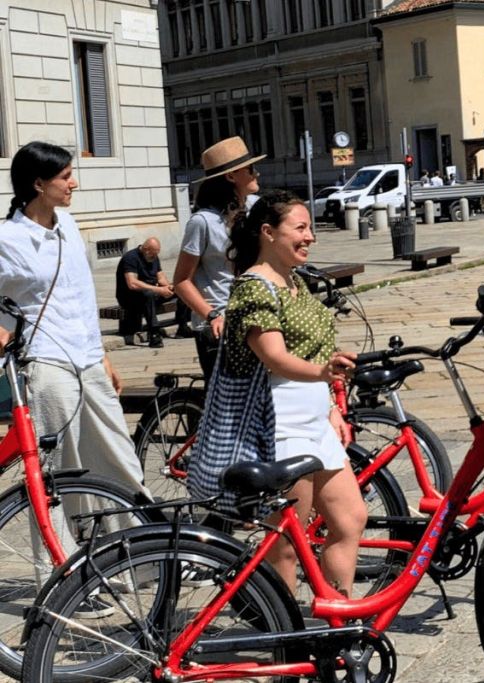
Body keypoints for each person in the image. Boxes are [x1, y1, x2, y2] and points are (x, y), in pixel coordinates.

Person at [221, 189, 367, 594]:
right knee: (285, 542)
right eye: (300, 228)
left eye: (310, 228)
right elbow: (273, 356)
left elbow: (311, 350)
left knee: (350, 519)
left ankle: (336, 619)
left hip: (313, 420)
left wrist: (330, 408)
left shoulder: (295, 281)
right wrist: (323, 372)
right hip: (279, 425)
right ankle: (285, 637)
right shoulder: (254, 287)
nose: (310, 237)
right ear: (268, 232)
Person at [0, 141, 149, 500]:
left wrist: (102, 355)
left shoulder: (68, 223)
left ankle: (135, 546)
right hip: (46, 362)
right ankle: (61, 553)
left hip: (88, 359)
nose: (74, 183)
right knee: (57, 471)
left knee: (121, 459)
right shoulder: (7, 238)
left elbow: (83, 297)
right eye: (66, 176)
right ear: (39, 184)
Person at [174, 137, 264, 380]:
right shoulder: (203, 222)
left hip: (256, 316)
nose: (256, 173)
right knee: (226, 404)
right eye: (250, 169)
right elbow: (182, 281)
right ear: (231, 177)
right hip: (219, 324)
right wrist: (212, 314)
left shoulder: (257, 208)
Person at [115, 237, 190, 347]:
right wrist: (158, 290)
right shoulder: (130, 258)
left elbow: (160, 277)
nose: (154, 257)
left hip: (152, 291)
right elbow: (132, 283)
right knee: (148, 294)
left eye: (156, 254)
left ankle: (183, 327)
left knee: (181, 289)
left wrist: (168, 287)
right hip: (131, 297)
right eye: (152, 255)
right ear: (145, 249)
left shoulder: (153, 256)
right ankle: (154, 333)